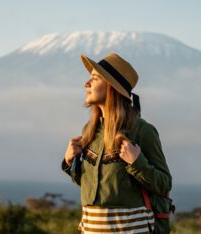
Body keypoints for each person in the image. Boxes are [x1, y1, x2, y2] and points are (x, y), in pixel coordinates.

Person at [61, 52, 173, 234]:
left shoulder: (142, 131)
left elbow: (164, 184)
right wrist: (68, 162)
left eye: (94, 79)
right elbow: (98, 188)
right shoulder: (89, 131)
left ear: (112, 87)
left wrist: (137, 163)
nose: (86, 84)